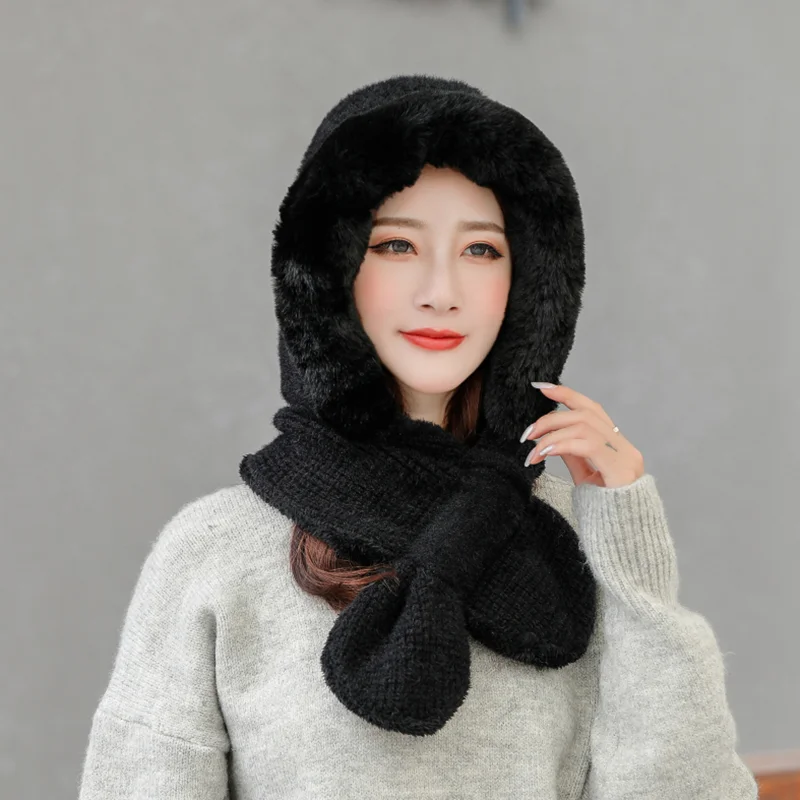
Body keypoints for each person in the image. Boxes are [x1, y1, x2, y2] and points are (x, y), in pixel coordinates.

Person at [78, 74, 758, 798]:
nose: (441, 291)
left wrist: (631, 551)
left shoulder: (577, 544)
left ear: (531, 286)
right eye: (397, 245)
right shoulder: (215, 551)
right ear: (327, 272)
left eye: (482, 250)